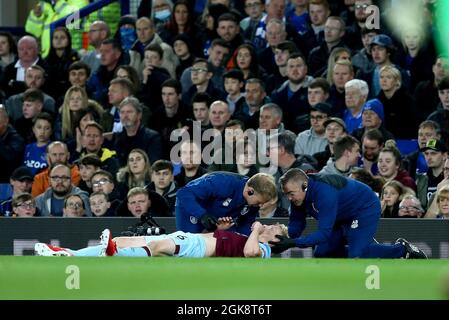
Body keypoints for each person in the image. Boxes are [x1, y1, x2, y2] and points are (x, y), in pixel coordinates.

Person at [270, 168, 427, 258]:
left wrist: (292, 243)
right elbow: (297, 222)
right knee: (322, 254)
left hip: (363, 208)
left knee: (357, 254)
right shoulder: (299, 195)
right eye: (287, 195)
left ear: (305, 186)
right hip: (340, 215)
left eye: (291, 193)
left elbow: (324, 233)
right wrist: (288, 239)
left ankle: (402, 249)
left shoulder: (324, 193)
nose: (289, 198)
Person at [34, 220, 288, 258]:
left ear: (276, 241)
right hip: (193, 238)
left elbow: (250, 253)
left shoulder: (263, 248)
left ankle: (113, 252)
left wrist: (256, 230)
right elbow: (213, 235)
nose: (274, 225)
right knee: (123, 239)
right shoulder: (249, 236)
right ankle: (69, 254)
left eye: (278, 229)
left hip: (198, 249)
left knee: (154, 246)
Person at [175, 172, 277, 235]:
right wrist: (202, 214)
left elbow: (245, 224)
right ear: (250, 191)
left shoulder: (252, 204)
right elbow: (184, 193)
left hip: (215, 217)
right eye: (259, 202)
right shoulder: (223, 182)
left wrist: (255, 237)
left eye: (262, 203)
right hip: (191, 209)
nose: (261, 206)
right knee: (191, 243)